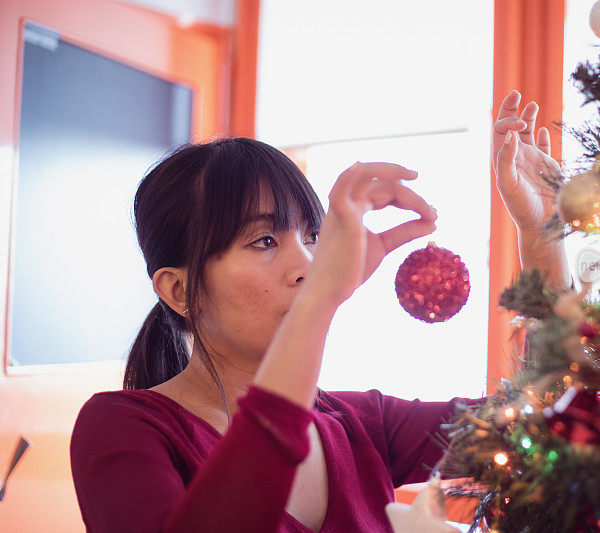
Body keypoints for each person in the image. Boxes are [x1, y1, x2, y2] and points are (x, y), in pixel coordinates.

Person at [69, 91, 569, 532]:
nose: (306, 266)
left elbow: (543, 423)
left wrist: (542, 232)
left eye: (311, 238)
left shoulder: (359, 423)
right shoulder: (121, 427)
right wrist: (318, 302)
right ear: (180, 291)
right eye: (264, 240)